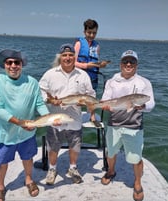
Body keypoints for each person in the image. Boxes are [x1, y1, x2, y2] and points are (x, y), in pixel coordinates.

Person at [0, 49, 54, 201]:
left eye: (17, 62)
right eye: (9, 62)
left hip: (28, 132)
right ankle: (0, 186)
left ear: (22, 64)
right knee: (2, 161)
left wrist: (48, 117)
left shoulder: (32, 82)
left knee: (28, 158)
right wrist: (19, 122)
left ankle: (28, 179)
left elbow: (39, 104)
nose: (13, 66)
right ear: (4, 65)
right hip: (6, 133)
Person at [100, 50, 155, 201]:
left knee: (135, 158)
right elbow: (105, 99)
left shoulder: (144, 82)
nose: (128, 64)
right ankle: (111, 171)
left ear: (137, 65)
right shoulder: (112, 81)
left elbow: (150, 103)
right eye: (125, 61)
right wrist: (104, 106)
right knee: (111, 153)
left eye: (132, 62)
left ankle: (137, 182)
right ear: (120, 64)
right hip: (114, 124)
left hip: (134, 127)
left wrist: (143, 106)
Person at [39, 43, 96, 185]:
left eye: (71, 55)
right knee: (53, 146)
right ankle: (52, 169)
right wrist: (50, 101)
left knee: (75, 146)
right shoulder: (50, 74)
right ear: (60, 57)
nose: (68, 57)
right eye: (65, 55)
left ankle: (73, 168)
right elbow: (39, 92)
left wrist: (86, 103)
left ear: (74, 57)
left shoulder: (83, 75)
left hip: (75, 118)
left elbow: (91, 94)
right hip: (56, 117)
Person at [74, 19, 110, 126]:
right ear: (84, 32)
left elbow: (95, 62)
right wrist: (86, 66)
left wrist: (101, 65)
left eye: (94, 33)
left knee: (92, 98)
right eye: (89, 32)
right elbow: (73, 62)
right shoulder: (78, 44)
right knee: (78, 99)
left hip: (93, 77)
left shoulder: (97, 46)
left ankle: (92, 117)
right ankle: (75, 117)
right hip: (79, 76)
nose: (91, 35)